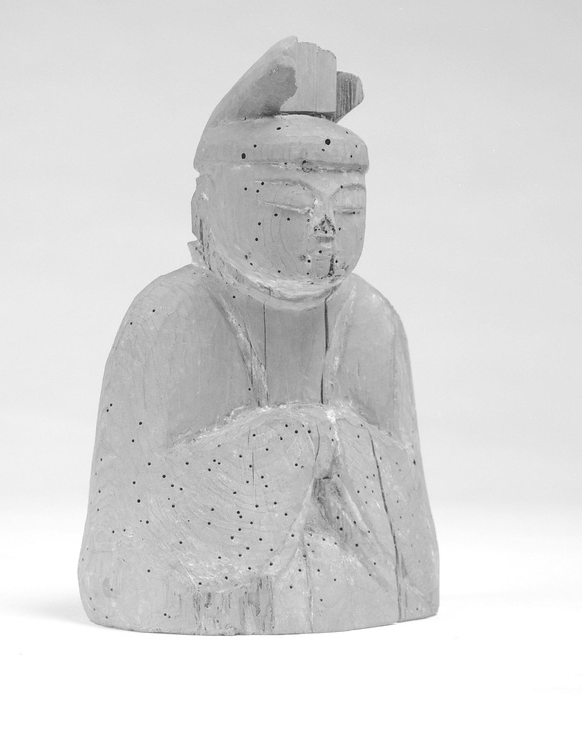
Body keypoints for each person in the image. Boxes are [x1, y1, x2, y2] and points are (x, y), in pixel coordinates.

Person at [79, 38, 439, 634]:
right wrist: (285, 443)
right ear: (209, 204)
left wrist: (340, 440)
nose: (326, 226)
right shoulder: (169, 317)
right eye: (292, 205)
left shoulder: (371, 320)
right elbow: (128, 533)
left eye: (349, 207)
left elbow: (411, 542)